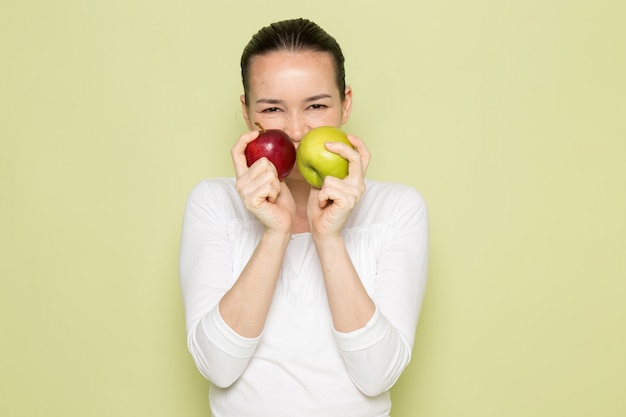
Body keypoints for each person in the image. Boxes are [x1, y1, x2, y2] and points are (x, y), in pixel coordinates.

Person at [179, 18, 429, 417]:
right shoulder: (213, 203)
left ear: (345, 103)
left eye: (316, 105)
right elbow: (218, 367)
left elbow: (376, 375)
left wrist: (327, 237)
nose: (296, 131)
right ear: (246, 112)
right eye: (273, 109)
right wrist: (275, 233)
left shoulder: (397, 209)